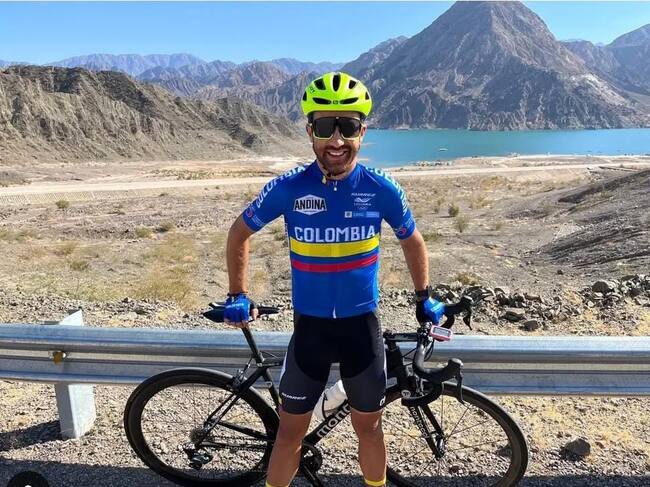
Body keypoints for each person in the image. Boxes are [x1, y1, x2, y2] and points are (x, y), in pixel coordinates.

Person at [224, 71, 445, 487]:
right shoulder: (289, 188)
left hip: (362, 329)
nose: (337, 140)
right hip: (310, 331)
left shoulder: (381, 189)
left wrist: (424, 297)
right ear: (310, 131)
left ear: (363, 132)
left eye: (348, 126)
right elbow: (239, 232)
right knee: (289, 435)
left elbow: (412, 240)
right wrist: (238, 293)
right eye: (326, 127)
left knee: (370, 429)